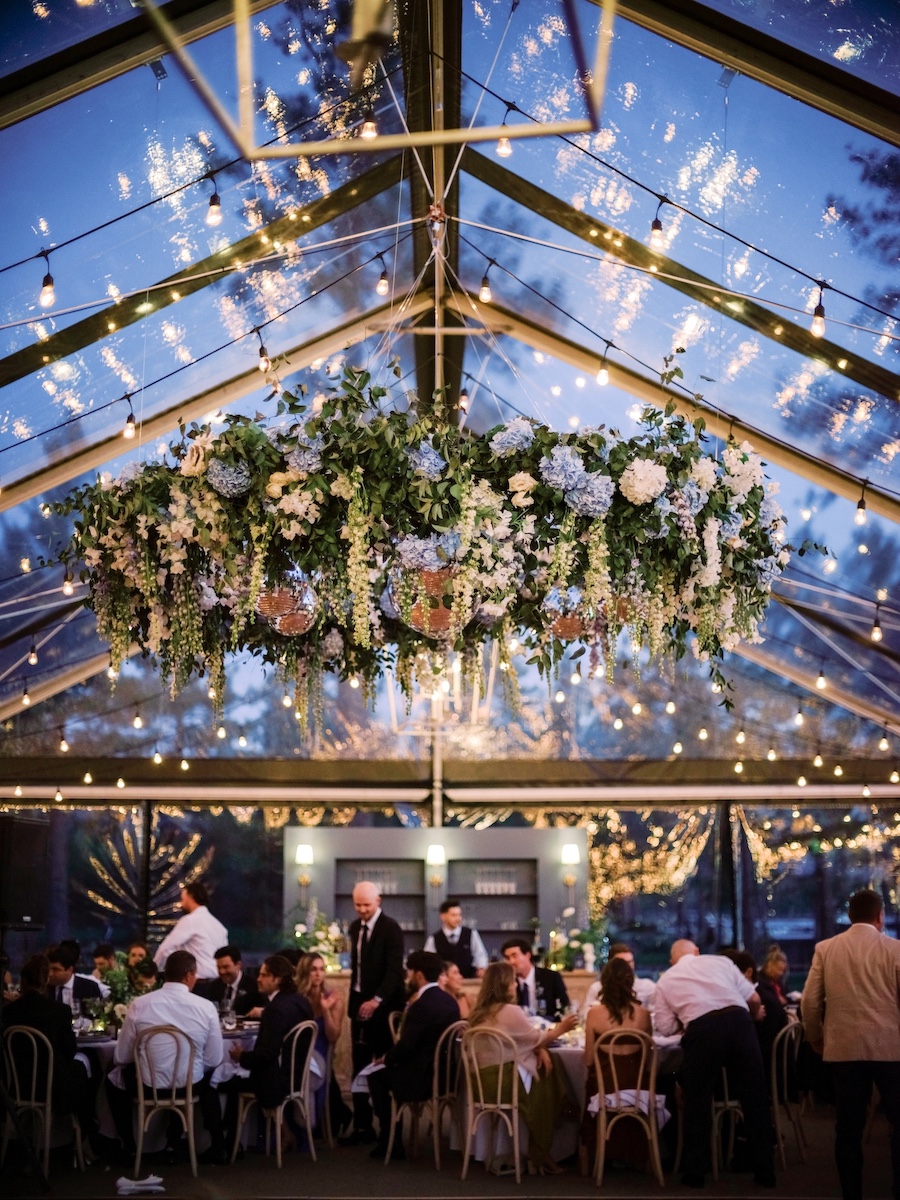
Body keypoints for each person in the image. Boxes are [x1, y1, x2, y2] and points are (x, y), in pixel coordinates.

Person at [801, 888, 900, 1200]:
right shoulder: (895, 949)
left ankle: (852, 1194)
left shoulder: (827, 948)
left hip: (844, 1047)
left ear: (849, 916)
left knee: (848, 1126)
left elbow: (810, 1002)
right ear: (880, 916)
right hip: (890, 1047)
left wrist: (815, 1035)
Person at [654, 938, 774, 1189]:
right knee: (754, 1098)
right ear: (696, 952)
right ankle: (765, 1171)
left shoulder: (666, 980)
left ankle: (696, 1173)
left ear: (671, 960)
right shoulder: (720, 961)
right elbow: (752, 997)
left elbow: (664, 1028)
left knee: (698, 1099)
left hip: (702, 1030)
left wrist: (684, 1018)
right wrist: (754, 1016)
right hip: (739, 1023)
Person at [108, 949, 227, 1164]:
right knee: (208, 1074)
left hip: (148, 1087)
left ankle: (129, 1145)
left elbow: (122, 1057)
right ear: (190, 975)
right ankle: (204, 1143)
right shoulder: (206, 1007)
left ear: (165, 974)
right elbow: (214, 1059)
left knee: (113, 1077)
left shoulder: (139, 1005)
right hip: (189, 1086)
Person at [467, 961, 577, 1174]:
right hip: (504, 1083)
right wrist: (561, 1029)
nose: (516, 985)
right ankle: (545, 1144)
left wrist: (539, 1048)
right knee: (548, 1072)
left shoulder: (479, 1012)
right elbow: (538, 1037)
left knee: (545, 1066)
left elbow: (525, 1042)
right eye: (513, 981)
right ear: (504, 985)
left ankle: (559, 1115)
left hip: (482, 1084)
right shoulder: (510, 1011)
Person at [2, 954, 100, 1154]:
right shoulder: (59, 1011)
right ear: (46, 980)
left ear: (23, 980)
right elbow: (69, 1049)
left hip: (16, 1085)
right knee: (90, 1066)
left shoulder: (9, 1011)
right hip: (52, 1087)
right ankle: (87, 1132)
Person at [367, 950, 461, 1160]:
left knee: (376, 1076)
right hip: (448, 1077)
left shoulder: (422, 1005)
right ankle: (391, 1137)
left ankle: (390, 1139)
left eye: (410, 972)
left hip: (422, 1079)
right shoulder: (450, 1002)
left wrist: (387, 1059)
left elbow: (407, 1045)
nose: (409, 976)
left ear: (419, 974)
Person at [224, 954, 318, 1151]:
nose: (258, 979)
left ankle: (231, 1145)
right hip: (297, 1076)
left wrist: (241, 1057)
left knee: (229, 1083)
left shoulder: (275, 1009)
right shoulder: (300, 1002)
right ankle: (284, 1133)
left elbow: (267, 1053)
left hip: (276, 1082)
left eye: (264, 975)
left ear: (277, 979)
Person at [340, 880, 405, 1145]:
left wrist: (377, 999)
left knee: (378, 1067)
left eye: (366, 905)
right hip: (359, 1005)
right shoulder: (355, 927)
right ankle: (362, 1127)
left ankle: (386, 1128)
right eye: (357, 905)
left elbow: (394, 972)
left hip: (384, 1006)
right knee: (358, 1063)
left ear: (378, 901)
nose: (362, 910)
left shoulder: (391, 929)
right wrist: (358, 1002)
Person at [581, 957, 654, 1174]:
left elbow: (588, 1061)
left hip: (606, 1091)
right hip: (638, 1090)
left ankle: (595, 1154)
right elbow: (648, 1062)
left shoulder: (594, 1014)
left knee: (590, 1084)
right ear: (630, 982)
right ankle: (637, 1154)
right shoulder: (644, 1015)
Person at [295, 951, 353, 1137]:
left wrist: (326, 1011)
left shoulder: (333, 997)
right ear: (305, 972)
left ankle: (306, 1125)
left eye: (321, 969)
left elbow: (334, 1036)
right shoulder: (296, 997)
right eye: (313, 970)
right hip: (299, 1052)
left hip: (321, 1052)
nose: (318, 974)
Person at [153, 881, 227, 985]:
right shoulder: (219, 927)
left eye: (183, 899)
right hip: (216, 983)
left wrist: (153, 972)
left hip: (196, 984)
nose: (181, 904)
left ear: (191, 896)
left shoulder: (190, 920)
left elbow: (165, 948)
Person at [581, 941, 656, 1017]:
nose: (628, 966)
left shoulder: (648, 986)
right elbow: (585, 1015)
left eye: (630, 962)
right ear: (610, 965)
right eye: (622, 963)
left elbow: (656, 1016)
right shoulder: (597, 988)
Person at [501, 937, 569, 1020]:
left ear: (527, 955)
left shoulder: (550, 977)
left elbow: (564, 1006)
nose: (511, 962)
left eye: (514, 956)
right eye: (507, 958)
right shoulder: (507, 982)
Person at [424, 899, 488, 978]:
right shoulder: (433, 939)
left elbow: (480, 954)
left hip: (469, 980)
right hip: (445, 984)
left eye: (459, 915)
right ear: (443, 917)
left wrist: (481, 967)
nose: (458, 918)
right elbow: (429, 962)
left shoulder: (471, 934)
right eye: (453, 915)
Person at [200, 945, 261, 1016]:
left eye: (226, 967)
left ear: (238, 965)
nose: (222, 971)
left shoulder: (254, 985)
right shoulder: (213, 987)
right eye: (218, 967)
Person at [47, 941, 102, 1007]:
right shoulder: (43, 989)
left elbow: (95, 1014)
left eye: (55, 970)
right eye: (48, 969)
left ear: (70, 970)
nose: (50, 974)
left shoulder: (90, 988)